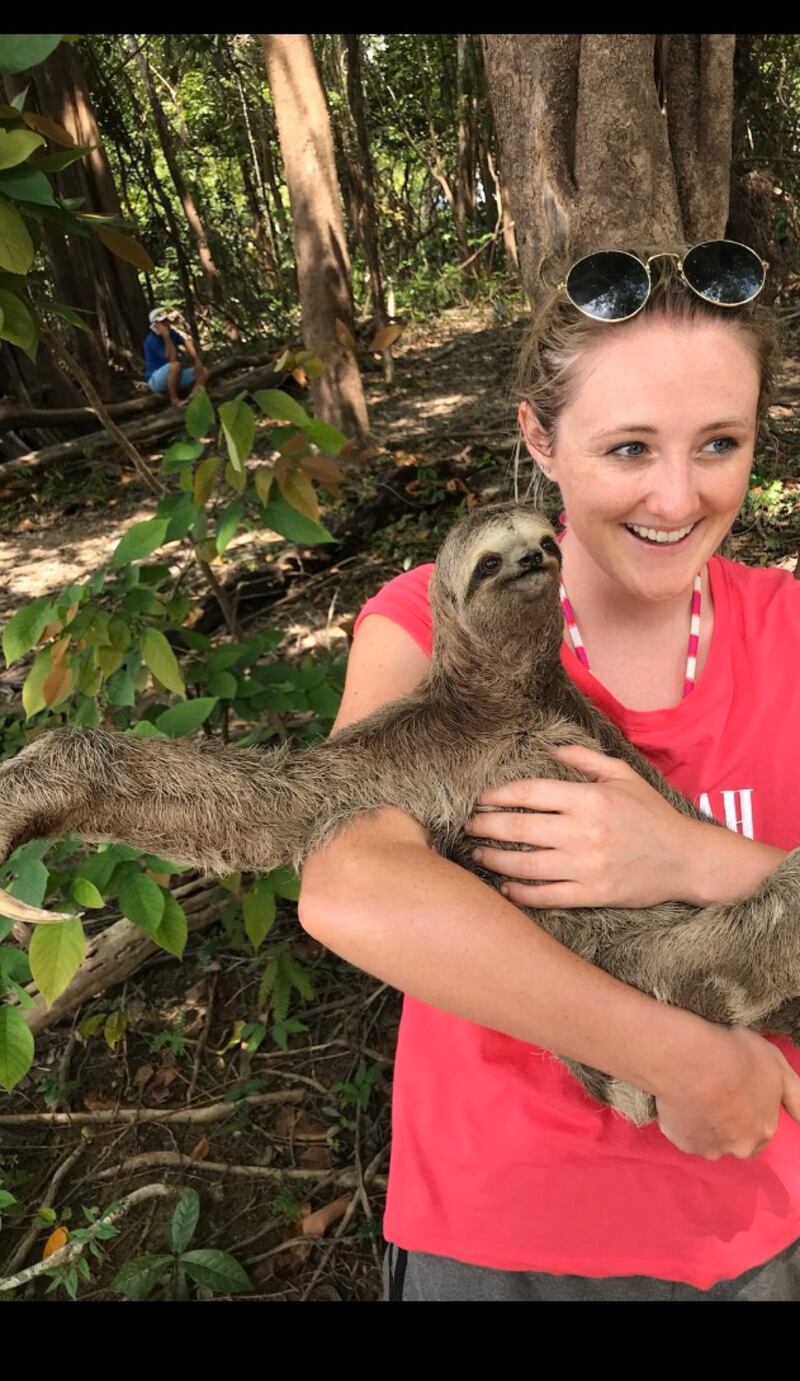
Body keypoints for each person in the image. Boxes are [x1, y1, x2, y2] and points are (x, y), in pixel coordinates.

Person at [298, 242, 800, 1302]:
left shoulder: (787, 632)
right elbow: (347, 882)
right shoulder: (436, 622)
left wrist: (690, 853)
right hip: (505, 1237)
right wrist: (680, 1058)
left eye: (718, 441)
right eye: (626, 448)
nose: (678, 494)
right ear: (538, 438)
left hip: (756, 1223)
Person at [143, 307, 208, 408]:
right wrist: (166, 336)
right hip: (156, 380)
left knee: (203, 372)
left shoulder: (173, 333)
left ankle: (192, 398)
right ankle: (174, 400)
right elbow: (172, 358)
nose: (167, 324)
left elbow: (186, 342)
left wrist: (197, 361)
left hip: (175, 375)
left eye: (166, 321)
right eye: (163, 322)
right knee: (175, 365)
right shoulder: (151, 340)